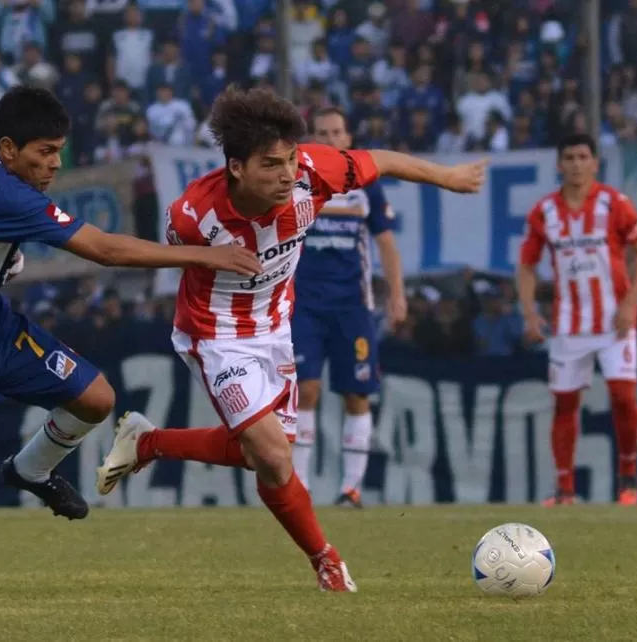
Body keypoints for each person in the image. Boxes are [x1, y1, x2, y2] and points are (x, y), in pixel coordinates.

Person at [96, 86, 485, 591]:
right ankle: (327, 561)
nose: (285, 175)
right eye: (270, 165)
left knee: (264, 453)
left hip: (276, 330)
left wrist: (448, 178)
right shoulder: (192, 214)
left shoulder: (313, 171)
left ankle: (147, 441)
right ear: (236, 167)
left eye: (289, 161)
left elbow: (380, 160)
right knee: (277, 458)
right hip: (216, 337)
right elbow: (138, 254)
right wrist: (206, 257)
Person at [0, 86, 261, 592]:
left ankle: (30, 471)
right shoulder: (4, 195)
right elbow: (104, 250)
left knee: (95, 398)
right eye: (46, 152)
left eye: (59, 151)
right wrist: (207, 256)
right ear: (9, 148)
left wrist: (3, 259)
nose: (56, 163)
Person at [517, 133, 637, 507]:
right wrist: (530, 312)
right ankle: (565, 489)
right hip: (568, 324)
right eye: (569, 156)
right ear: (559, 165)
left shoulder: (615, 204)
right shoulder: (544, 212)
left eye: (583, 156)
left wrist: (629, 303)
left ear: (595, 163)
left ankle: (628, 477)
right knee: (564, 403)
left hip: (615, 322)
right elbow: (527, 265)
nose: (576, 164)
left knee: (624, 397)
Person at [289, 107, 407, 508]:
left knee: (356, 394)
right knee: (305, 390)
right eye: (321, 133)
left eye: (336, 132)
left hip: (352, 307)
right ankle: (299, 488)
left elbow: (386, 244)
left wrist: (398, 294)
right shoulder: (297, 182)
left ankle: (351, 489)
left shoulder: (367, 185)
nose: (329, 139)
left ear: (348, 137)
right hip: (302, 305)